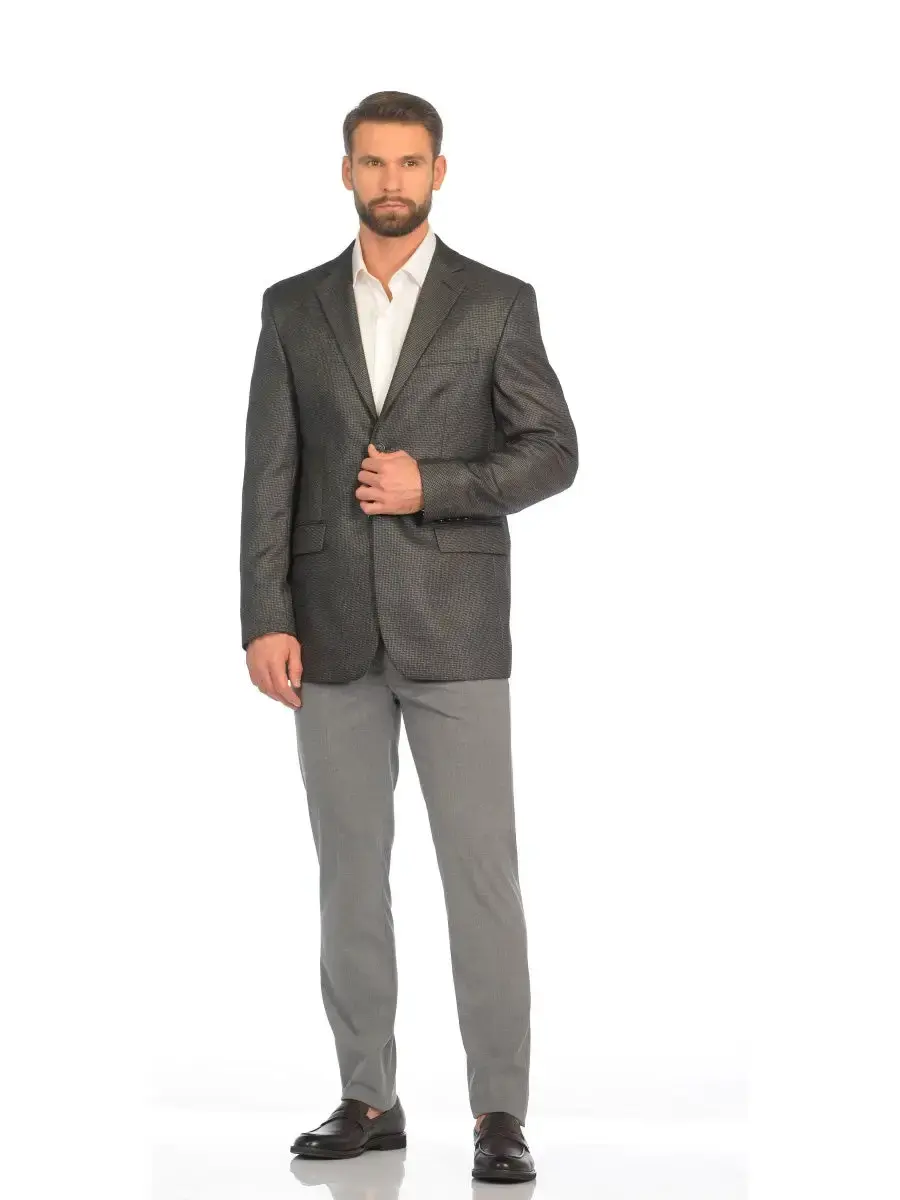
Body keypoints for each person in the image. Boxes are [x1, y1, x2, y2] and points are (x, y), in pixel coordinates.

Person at [240, 89, 578, 1184]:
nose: (392, 180)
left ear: (440, 171)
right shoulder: (292, 308)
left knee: (482, 877)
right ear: (346, 171)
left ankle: (499, 1114)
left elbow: (553, 450)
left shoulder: (498, 303)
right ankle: (368, 1098)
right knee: (348, 875)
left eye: (410, 162)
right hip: (328, 629)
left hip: (457, 629)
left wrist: (433, 483)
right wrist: (264, 617)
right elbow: (269, 475)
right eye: (373, 162)